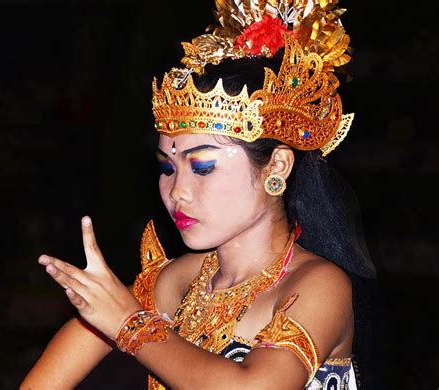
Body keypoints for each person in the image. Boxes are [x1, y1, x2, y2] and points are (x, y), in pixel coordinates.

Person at [21, 1, 378, 389]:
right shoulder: (179, 281)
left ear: (276, 166)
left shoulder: (318, 285)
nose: (177, 192)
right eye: (167, 168)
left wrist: (130, 325)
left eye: (203, 167)